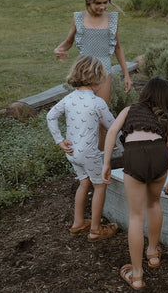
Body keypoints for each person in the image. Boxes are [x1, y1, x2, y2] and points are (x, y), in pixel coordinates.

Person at [102, 77, 168, 291]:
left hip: (135, 156)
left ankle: (136, 276)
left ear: (145, 93)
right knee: (154, 204)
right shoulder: (164, 118)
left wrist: (106, 163)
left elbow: (112, 132)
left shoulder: (129, 110)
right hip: (159, 155)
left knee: (136, 216)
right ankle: (153, 254)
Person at [46, 55, 120, 242]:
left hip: (71, 153)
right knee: (100, 185)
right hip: (89, 154)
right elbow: (113, 127)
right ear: (98, 78)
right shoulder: (97, 103)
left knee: (83, 183)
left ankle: (78, 223)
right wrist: (125, 147)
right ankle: (95, 230)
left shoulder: (69, 98)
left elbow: (50, 116)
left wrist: (59, 140)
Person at [54, 0, 132, 150]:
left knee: (101, 121)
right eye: (98, 3)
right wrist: (60, 49)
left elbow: (118, 47)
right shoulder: (79, 18)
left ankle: (100, 158)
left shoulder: (112, 19)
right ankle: (82, 155)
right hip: (84, 73)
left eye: (106, 3)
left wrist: (126, 74)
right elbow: (68, 42)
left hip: (104, 73)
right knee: (83, 118)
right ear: (88, 0)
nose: (103, 7)